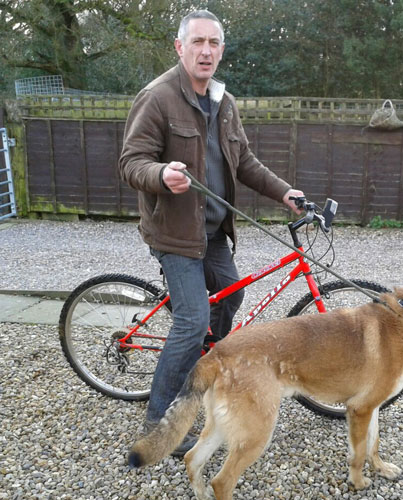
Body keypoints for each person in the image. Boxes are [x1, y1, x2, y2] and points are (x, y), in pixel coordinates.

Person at [119, 9, 304, 455]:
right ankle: (159, 421)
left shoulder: (224, 101)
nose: (205, 50)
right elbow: (131, 163)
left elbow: (244, 163)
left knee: (233, 294)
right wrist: (162, 174)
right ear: (180, 47)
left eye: (213, 43)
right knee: (193, 319)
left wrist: (284, 193)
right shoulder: (157, 97)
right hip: (175, 235)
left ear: (221, 50)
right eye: (197, 42)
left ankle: (200, 370)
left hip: (213, 233)